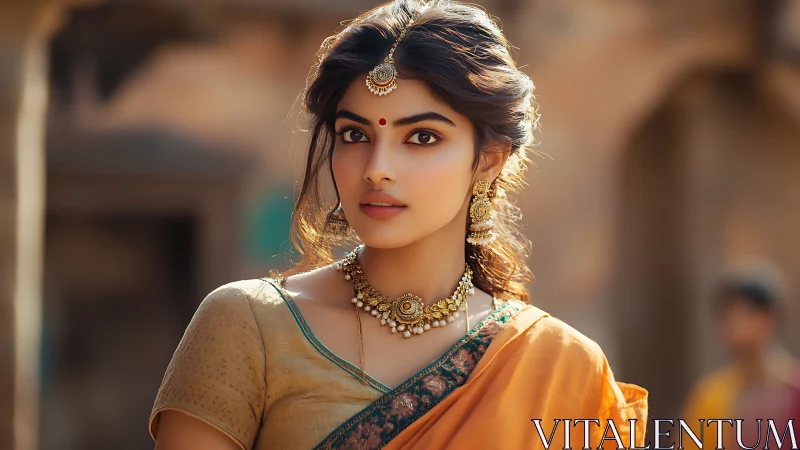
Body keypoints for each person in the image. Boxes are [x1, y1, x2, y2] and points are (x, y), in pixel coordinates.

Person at [147, 1, 648, 449]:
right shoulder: (247, 326)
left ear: (488, 161)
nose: (377, 168)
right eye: (354, 134)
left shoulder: (561, 366)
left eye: (423, 137)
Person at [681, 260, 800, 449]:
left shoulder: (794, 389)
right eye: (726, 315)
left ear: (771, 317)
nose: (734, 323)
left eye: (745, 313)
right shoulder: (711, 396)